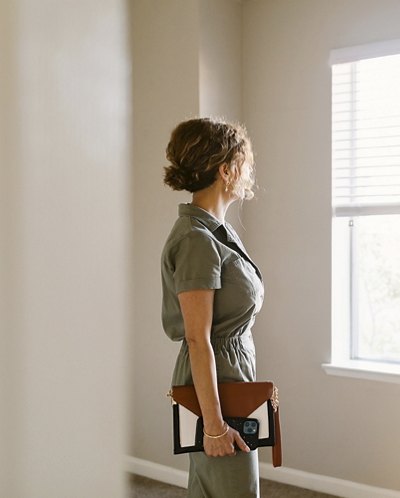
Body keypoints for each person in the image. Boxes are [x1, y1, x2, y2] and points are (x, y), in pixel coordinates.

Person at [160, 117, 263, 498]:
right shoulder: (197, 240)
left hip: (230, 369)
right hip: (214, 374)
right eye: (245, 162)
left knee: (216, 486)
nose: (249, 171)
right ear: (225, 169)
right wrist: (215, 426)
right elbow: (198, 339)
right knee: (232, 487)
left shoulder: (218, 231)